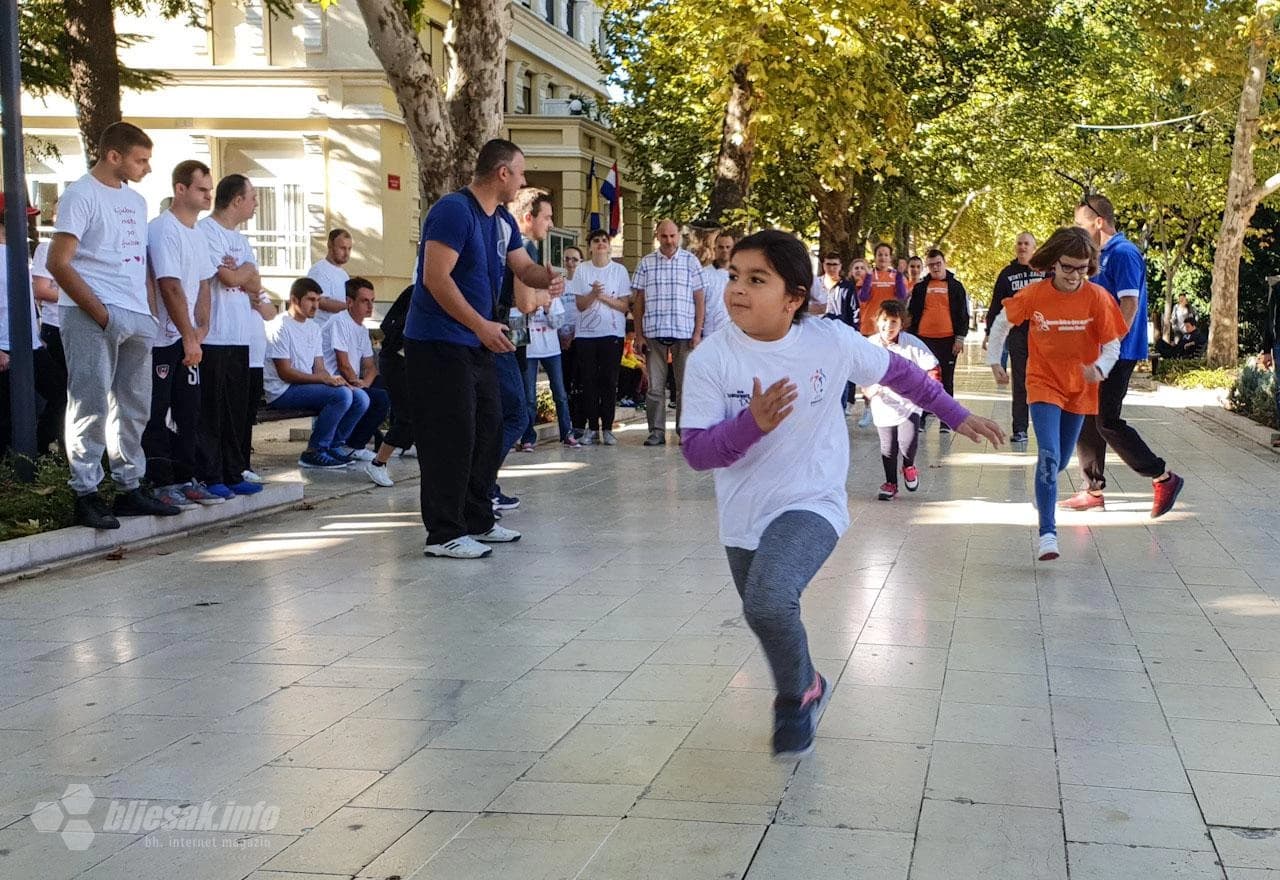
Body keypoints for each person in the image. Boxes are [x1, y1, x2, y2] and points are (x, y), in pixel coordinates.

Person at [680, 229, 1003, 758]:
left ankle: (792, 701)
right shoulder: (712, 359)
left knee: (767, 600)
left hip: (813, 502)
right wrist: (750, 425)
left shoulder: (828, 341)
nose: (737, 288)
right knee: (765, 612)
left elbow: (904, 375)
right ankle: (808, 682)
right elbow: (697, 452)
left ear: (794, 299)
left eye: (756, 279)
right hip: (743, 515)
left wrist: (957, 414)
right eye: (734, 276)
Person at [405, 138, 564, 559]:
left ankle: (478, 520)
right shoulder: (453, 211)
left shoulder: (502, 221)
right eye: (522, 171)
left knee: (490, 427)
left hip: (476, 342)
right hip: (439, 342)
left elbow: (522, 268)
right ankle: (443, 533)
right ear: (502, 173)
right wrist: (480, 325)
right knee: (449, 437)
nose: (525, 181)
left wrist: (545, 278)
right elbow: (436, 279)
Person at [46, 122, 181, 529]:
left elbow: (140, 262)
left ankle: (128, 486)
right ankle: (86, 492)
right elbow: (58, 262)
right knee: (89, 402)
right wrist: (101, 313)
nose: (147, 168)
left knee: (135, 405)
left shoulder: (137, 202)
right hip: (93, 312)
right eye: (141, 160)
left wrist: (150, 314)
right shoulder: (80, 195)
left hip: (137, 314)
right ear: (114, 156)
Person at [986, 227, 1129, 561]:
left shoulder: (1097, 297)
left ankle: (1044, 487)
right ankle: (1047, 533)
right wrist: (995, 360)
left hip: (1080, 387)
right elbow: (1001, 324)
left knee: (1061, 460)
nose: (1075, 275)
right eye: (1068, 267)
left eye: (1082, 268)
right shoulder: (1035, 294)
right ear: (1053, 263)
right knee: (1049, 454)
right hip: (1043, 382)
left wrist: (1100, 368)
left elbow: (1112, 344)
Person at [1067, 194, 1184, 518]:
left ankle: (1163, 476)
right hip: (1098, 352)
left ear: (1098, 222)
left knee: (1107, 420)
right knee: (1087, 416)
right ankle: (1092, 490)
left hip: (1117, 352)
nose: (1077, 230)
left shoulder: (1124, 253)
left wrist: (1110, 349)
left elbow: (1128, 306)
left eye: (1080, 224)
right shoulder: (1100, 255)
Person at [143, 160, 237, 508]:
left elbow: (202, 284)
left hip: (189, 340)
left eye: (210, 189)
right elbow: (169, 286)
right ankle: (160, 481)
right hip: (162, 340)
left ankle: (186, 477)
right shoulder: (163, 229)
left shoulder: (197, 233)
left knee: (189, 409)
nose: (208, 195)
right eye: (201, 189)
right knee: (158, 410)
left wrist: (202, 328)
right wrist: (187, 335)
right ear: (180, 189)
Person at [199, 174, 270, 492]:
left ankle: (234, 471)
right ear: (237, 200)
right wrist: (241, 274)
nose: (256, 204)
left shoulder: (241, 239)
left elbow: (255, 282)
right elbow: (227, 279)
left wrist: (241, 274)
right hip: (214, 335)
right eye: (253, 197)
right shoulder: (207, 231)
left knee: (236, 411)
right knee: (213, 410)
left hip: (240, 337)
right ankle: (211, 475)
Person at [263, 277, 375, 478]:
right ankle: (314, 452)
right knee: (340, 396)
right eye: (310, 300)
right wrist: (325, 380)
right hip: (282, 390)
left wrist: (336, 380)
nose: (316, 305)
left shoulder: (313, 328)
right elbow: (285, 373)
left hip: (303, 387)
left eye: (317, 300)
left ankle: (334, 446)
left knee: (359, 397)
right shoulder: (280, 326)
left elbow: (320, 368)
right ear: (294, 300)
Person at [632, 219, 706, 446]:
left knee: (685, 385)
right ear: (657, 236)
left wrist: (697, 332)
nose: (669, 240)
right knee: (655, 387)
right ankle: (656, 432)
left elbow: (700, 299)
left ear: (679, 236)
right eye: (664, 236)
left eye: (673, 236)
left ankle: (685, 432)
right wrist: (639, 334)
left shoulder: (691, 262)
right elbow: (638, 301)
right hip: (654, 333)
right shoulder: (646, 263)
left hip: (684, 333)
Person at [0, 199, 62, 459]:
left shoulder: (17, 252)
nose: (27, 223)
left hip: (30, 344)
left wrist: (37, 336)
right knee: (5, 416)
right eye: (21, 217)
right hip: (4, 346)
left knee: (59, 392)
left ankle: (39, 452)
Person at [865, 300, 939, 500]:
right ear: (877, 321)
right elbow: (858, 371)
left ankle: (908, 465)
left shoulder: (911, 343)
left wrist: (928, 391)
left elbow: (932, 366)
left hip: (909, 402)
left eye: (894, 322)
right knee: (888, 447)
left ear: (901, 324)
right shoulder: (869, 345)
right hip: (882, 403)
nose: (888, 326)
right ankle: (890, 483)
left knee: (908, 441)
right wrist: (868, 389)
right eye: (885, 321)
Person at [322, 277, 392, 480]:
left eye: (372, 300)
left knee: (385, 388)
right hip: (332, 380)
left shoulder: (361, 329)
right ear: (349, 302)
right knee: (379, 398)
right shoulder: (339, 321)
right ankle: (349, 445)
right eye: (364, 301)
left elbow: (370, 366)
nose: (370, 306)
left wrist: (364, 383)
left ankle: (355, 445)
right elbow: (342, 363)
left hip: (351, 381)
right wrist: (357, 383)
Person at [572, 228, 631, 445]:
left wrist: (603, 297)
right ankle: (591, 428)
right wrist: (593, 294)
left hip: (612, 334)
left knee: (609, 380)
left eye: (604, 240)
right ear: (590, 246)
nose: (600, 244)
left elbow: (624, 305)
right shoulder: (582, 270)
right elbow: (580, 305)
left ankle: (607, 427)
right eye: (596, 241)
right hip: (586, 335)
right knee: (588, 381)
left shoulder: (619, 271)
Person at [985, 232, 1044, 443]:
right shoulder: (1007, 274)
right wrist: (989, 334)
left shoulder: (1046, 272)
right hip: (1018, 335)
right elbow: (995, 307)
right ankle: (1020, 429)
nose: (1022, 247)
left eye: (1027, 243)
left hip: (1044, 335)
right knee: (1020, 382)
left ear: (1034, 247)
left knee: (1044, 382)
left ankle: (1046, 427)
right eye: (1019, 243)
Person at [907, 248, 970, 431]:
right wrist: (910, 338)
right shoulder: (920, 287)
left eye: (938, 263)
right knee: (923, 379)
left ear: (944, 263)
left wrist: (960, 338)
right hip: (924, 340)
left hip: (948, 340)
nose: (935, 267)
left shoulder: (956, 286)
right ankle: (924, 416)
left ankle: (946, 419)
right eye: (931, 264)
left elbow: (963, 315)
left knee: (946, 380)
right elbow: (911, 314)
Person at [29, 201, 68, 454]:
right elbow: (41, 289)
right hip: (56, 328)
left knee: (70, 395)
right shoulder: (48, 247)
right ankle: (45, 447)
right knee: (59, 394)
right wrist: (80, 294)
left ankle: (65, 447)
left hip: (78, 327)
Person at [369, 284, 417, 471]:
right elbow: (391, 328)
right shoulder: (422, 292)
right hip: (397, 360)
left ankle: (405, 445)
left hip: (410, 361)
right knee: (408, 417)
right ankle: (378, 463)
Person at [857, 242, 908, 336]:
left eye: (886, 255)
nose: (883, 257)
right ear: (875, 257)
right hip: (869, 326)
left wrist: (899, 275)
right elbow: (863, 297)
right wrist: (868, 277)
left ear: (890, 258)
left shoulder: (898, 276)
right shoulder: (867, 275)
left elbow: (901, 296)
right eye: (880, 254)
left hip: (889, 328)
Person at [307, 229, 353, 325]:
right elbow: (320, 301)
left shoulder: (344, 275)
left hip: (338, 333)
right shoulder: (319, 270)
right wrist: (350, 308)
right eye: (342, 248)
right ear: (330, 246)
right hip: (322, 332)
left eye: (349, 249)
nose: (346, 253)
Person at [699, 232, 734, 338]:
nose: (725, 250)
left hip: (734, 334)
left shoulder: (741, 275)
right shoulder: (704, 274)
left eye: (728, 247)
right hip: (710, 334)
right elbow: (699, 304)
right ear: (714, 249)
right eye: (721, 247)